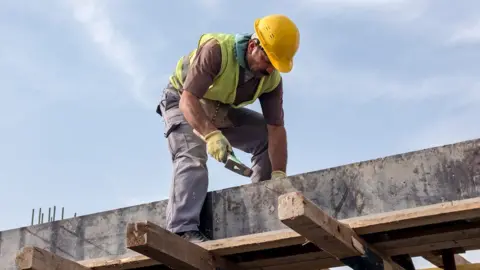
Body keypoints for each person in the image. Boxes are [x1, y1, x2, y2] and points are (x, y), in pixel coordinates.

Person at [156, 14, 300, 243]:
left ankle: (263, 208)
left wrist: (279, 174)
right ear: (253, 46)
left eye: (276, 65)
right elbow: (188, 100)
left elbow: (275, 129)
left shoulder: (271, 81)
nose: (271, 69)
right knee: (191, 156)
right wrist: (211, 134)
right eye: (269, 61)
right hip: (181, 99)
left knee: (264, 138)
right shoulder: (216, 51)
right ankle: (182, 231)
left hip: (217, 107)